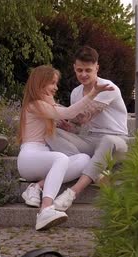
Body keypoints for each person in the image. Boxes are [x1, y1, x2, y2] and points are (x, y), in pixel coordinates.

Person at [17, 65, 114, 231]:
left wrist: (62, 124)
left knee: (84, 159)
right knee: (60, 158)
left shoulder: (46, 105)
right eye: (52, 83)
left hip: (43, 158)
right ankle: (45, 210)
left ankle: (37, 186)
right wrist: (93, 93)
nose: (56, 87)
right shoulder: (35, 104)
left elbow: (66, 116)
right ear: (40, 84)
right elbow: (69, 113)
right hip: (29, 158)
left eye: (56, 83)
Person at [45, 46, 129, 212]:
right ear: (74, 68)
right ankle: (96, 170)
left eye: (88, 70)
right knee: (49, 131)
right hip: (91, 140)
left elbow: (84, 116)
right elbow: (79, 125)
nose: (83, 74)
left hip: (117, 142)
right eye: (79, 70)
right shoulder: (76, 93)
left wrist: (50, 107)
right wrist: (68, 127)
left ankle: (72, 193)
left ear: (97, 68)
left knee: (107, 140)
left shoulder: (107, 87)